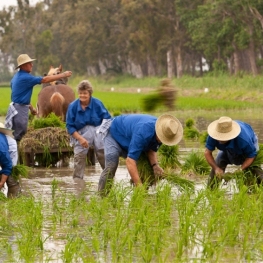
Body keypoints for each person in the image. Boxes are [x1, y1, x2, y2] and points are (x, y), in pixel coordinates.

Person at [98, 113, 183, 195]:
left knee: (145, 167)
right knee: (111, 165)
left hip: (130, 139)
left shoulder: (164, 132)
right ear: (159, 132)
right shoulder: (143, 132)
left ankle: (141, 196)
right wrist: (139, 185)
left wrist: (155, 165)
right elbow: (130, 161)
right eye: (163, 138)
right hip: (114, 133)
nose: (162, 141)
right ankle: (102, 196)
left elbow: (151, 149)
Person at [5, 54, 72, 142]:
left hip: (18, 108)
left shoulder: (15, 77)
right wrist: (63, 75)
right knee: (20, 135)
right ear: (23, 66)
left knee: (18, 134)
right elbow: (44, 80)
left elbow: (19, 96)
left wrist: (32, 108)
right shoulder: (25, 77)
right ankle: (16, 155)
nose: (32, 65)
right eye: (29, 63)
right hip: (20, 110)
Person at [66, 80, 111, 180]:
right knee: (79, 156)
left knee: (102, 152)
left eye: (85, 93)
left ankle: (109, 177)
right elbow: (70, 126)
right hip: (81, 133)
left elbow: (107, 119)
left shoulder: (97, 104)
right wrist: (80, 139)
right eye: (80, 93)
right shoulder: (73, 106)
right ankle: (78, 182)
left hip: (97, 131)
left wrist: (101, 132)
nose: (82, 96)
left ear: (90, 93)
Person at [205, 116, 263, 189]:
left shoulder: (244, 140)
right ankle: (211, 189)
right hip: (227, 148)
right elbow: (207, 152)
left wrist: (240, 169)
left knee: (254, 167)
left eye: (223, 138)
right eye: (219, 137)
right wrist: (216, 168)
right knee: (219, 162)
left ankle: (259, 187)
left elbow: (251, 156)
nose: (220, 139)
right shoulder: (213, 135)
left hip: (248, 142)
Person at [0, 122, 21, 198]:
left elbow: (7, 166)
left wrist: (1, 183)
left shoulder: (2, 151)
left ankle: (14, 200)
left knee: (11, 178)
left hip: (9, 148)